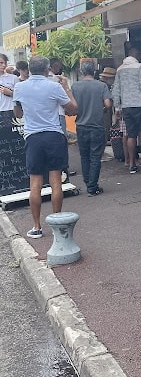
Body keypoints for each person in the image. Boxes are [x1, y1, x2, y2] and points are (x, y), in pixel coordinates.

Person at [12, 56, 77, 239]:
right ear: (48, 69)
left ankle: (36, 226)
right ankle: (56, 224)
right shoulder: (54, 86)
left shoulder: (20, 87)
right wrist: (66, 88)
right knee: (56, 181)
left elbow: (18, 113)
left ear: (30, 69)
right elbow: (73, 109)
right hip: (54, 135)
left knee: (35, 184)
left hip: (33, 136)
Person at [72, 61, 112, 196]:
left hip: (81, 125)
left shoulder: (75, 86)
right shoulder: (102, 86)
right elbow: (107, 104)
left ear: (82, 72)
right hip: (97, 126)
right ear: (94, 72)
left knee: (84, 156)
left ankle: (88, 181)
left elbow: (71, 104)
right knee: (95, 156)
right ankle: (92, 186)